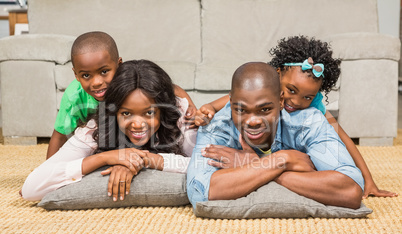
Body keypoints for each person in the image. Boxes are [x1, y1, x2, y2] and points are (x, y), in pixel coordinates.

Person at [193, 36, 397, 199]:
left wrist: (367, 178)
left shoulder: (312, 115)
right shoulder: (223, 119)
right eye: (291, 90)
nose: (295, 101)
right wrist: (281, 162)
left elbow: (350, 183)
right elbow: (201, 190)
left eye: (307, 97)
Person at [187, 62, 364, 210]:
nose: (253, 121)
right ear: (231, 102)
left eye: (265, 110)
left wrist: (254, 165)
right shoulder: (216, 127)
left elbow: (351, 190)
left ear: (280, 101)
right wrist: (283, 161)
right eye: (241, 110)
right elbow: (201, 192)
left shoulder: (308, 122)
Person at [22, 60, 197, 202]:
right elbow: (30, 189)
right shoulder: (95, 128)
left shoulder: (180, 114)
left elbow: (203, 165)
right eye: (126, 113)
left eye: (149, 113)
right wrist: (105, 158)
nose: (137, 124)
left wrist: (144, 160)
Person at [47, 31, 196, 159]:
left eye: (104, 72)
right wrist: (47, 168)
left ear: (119, 64)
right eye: (86, 75)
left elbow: (171, 89)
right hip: (97, 138)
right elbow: (59, 135)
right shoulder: (74, 96)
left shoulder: (128, 80)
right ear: (76, 75)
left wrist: (191, 107)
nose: (97, 82)